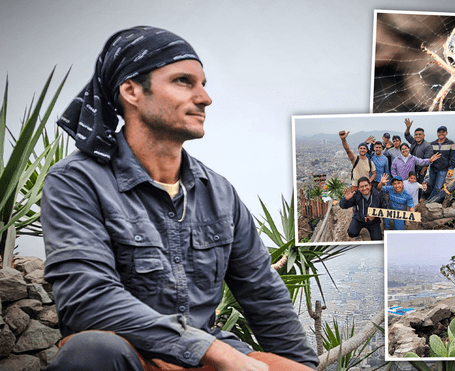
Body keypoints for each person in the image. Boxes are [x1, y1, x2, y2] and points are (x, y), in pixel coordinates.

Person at [41, 26, 317, 371]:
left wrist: (303, 366)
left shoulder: (218, 193)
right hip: (133, 356)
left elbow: (264, 296)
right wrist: (214, 352)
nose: (204, 98)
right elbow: (89, 300)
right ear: (131, 90)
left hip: (210, 359)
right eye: (183, 81)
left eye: (203, 84)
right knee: (92, 350)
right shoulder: (76, 182)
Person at [427, 125, 455, 199]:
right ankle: (436, 198)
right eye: (439, 132)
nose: (441, 133)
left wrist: (451, 168)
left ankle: (430, 201)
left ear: (446, 133)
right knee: (432, 185)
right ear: (437, 133)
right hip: (433, 168)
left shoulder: (451, 143)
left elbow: (453, 157)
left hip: (443, 169)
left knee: (437, 187)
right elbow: (429, 155)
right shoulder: (433, 144)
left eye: (443, 132)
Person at [403, 118, 434, 183]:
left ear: (423, 135)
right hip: (412, 168)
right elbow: (407, 135)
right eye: (416, 134)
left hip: (420, 170)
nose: (418, 136)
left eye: (420, 134)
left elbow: (428, 160)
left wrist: (422, 172)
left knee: (418, 185)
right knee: (410, 184)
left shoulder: (427, 146)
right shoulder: (414, 141)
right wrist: (408, 128)